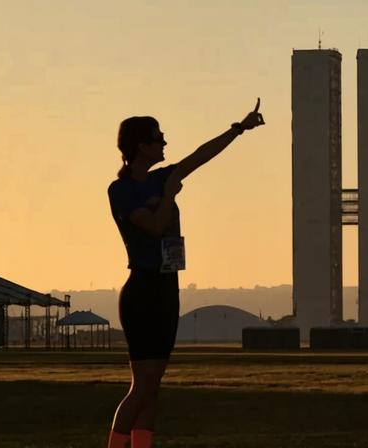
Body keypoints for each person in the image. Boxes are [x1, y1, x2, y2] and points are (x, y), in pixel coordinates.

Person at [106, 99, 265, 448]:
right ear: (140, 146)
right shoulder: (122, 190)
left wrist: (239, 128)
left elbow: (200, 156)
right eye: (158, 138)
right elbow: (154, 225)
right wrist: (168, 196)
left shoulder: (164, 177)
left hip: (166, 289)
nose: (164, 143)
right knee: (143, 385)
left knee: (153, 384)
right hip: (143, 290)